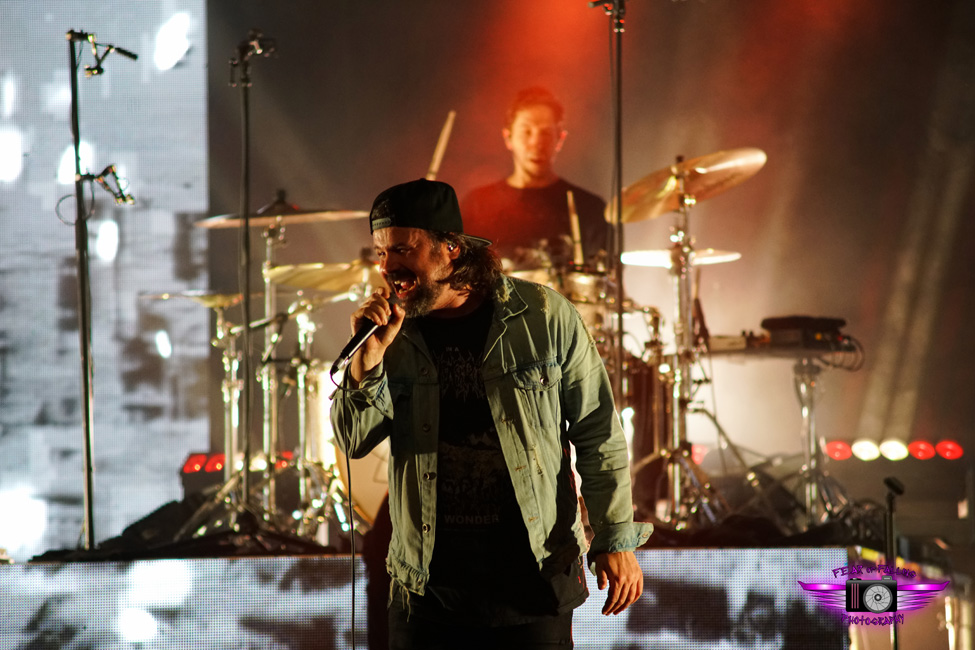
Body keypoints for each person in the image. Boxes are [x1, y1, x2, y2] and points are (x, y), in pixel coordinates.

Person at [330, 178, 652, 649]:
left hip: (532, 583)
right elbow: (352, 439)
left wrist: (615, 538)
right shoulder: (391, 337)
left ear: (451, 248)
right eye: (381, 253)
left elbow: (598, 431)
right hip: (429, 592)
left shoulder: (543, 315)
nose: (387, 266)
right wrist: (368, 362)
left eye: (402, 249)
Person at [460, 87, 608, 268]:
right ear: (508, 137)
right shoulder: (476, 206)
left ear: (560, 139)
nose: (536, 143)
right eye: (526, 132)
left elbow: (605, 277)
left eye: (545, 133)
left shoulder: (589, 208)